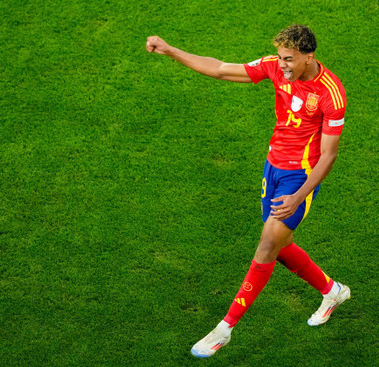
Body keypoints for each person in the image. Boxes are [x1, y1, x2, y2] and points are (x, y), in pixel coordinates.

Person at [146, 24, 350, 358]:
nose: (283, 65)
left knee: (267, 244)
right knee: (279, 247)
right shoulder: (274, 66)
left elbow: (329, 155)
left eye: (290, 59)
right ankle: (333, 291)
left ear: (309, 56)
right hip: (272, 168)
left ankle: (224, 329)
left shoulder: (331, 92)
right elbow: (221, 69)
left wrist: (299, 196)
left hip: (300, 177)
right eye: (281, 57)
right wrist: (170, 50)